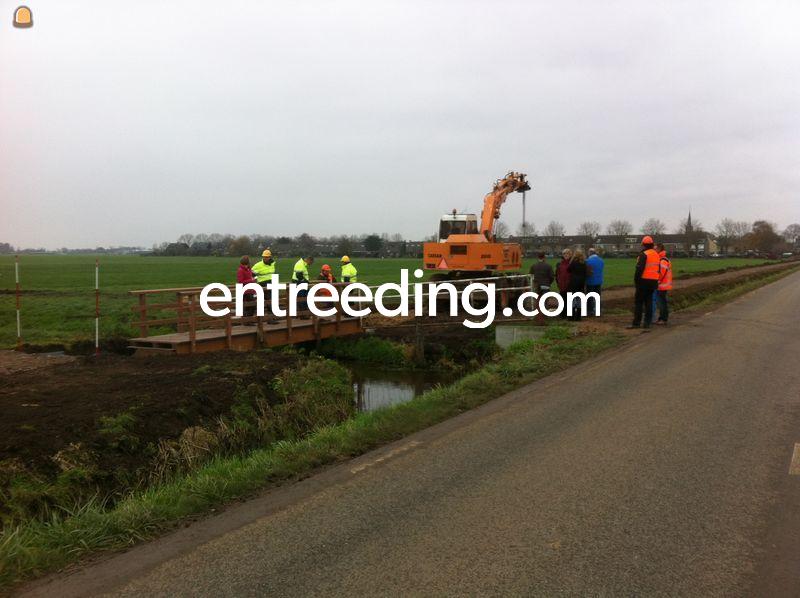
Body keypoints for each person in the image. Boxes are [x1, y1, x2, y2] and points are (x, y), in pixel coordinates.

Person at [628, 236, 661, 330]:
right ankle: (647, 323)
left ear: (643, 245)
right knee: (649, 302)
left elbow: (639, 269)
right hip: (653, 282)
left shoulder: (644, 254)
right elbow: (658, 269)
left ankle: (636, 323)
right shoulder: (656, 254)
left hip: (643, 281)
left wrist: (636, 281)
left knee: (639, 302)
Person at [529, 252, 554, 321]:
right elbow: (552, 276)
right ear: (544, 257)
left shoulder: (534, 266)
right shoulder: (548, 266)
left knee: (538, 300)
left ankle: (538, 314)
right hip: (546, 285)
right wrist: (549, 283)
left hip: (537, 285)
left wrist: (534, 282)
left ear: (538, 257)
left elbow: (530, 275)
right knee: (545, 300)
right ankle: (544, 314)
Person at [567, 249, 588, 321]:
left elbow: (568, 269)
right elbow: (585, 273)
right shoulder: (584, 263)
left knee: (572, 299)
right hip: (581, 283)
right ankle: (578, 317)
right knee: (579, 299)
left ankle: (571, 317)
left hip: (573, 283)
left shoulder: (573, 262)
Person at [655, 243, 672, 325]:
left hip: (662, 285)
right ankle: (662, 318)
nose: (654, 250)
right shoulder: (663, 259)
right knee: (662, 302)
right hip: (664, 284)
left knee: (661, 303)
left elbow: (661, 273)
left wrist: (657, 281)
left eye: (655, 248)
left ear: (659, 249)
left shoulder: (662, 260)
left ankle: (663, 318)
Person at [585, 248, 604, 316]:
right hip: (599, 281)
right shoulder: (601, 260)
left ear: (590, 253)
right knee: (598, 296)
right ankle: (598, 310)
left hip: (590, 281)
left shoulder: (587, 261)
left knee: (590, 297)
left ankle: (590, 311)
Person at [555, 248, 573, 319]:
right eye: (564, 254)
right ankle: (562, 314)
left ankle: (569, 314)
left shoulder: (572, 263)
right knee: (562, 299)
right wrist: (558, 282)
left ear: (570, 255)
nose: (566, 255)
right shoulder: (559, 264)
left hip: (569, 284)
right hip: (561, 284)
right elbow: (557, 274)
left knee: (569, 299)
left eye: (567, 253)